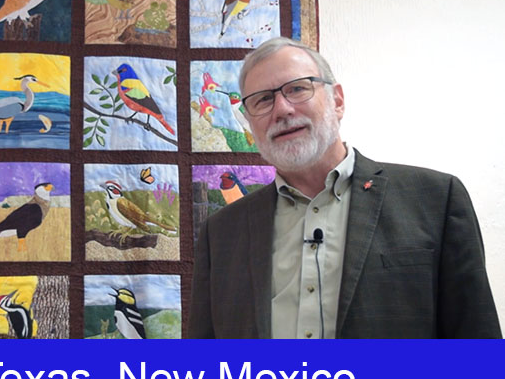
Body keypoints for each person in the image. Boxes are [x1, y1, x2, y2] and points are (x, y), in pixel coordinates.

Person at [189, 37, 501, 339]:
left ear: (337, 100)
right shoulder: (220, 233)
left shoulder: (436, 200)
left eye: (297, 88)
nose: (282, 109)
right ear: (249, 122)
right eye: (263, 100)